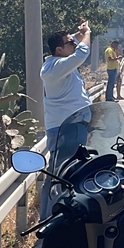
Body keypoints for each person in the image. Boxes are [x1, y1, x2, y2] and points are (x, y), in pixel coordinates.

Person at [40, 21, 92, 217]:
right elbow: (83, 52)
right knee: (61, 176)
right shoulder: (55, 68)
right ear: (59, 49)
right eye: (71, 43)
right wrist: (86, 33)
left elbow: (73, 45)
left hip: (73, 125)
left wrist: (76, 35)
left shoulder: (60, 62)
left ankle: (52, 217)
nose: (75, 43)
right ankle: (52, 220)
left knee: (63, 173)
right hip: (65, 128)